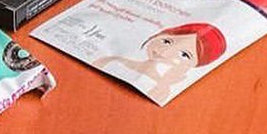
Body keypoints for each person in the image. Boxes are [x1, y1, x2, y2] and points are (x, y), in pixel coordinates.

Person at [94, 22, 226, 101]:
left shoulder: (161, 90)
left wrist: (165, 82)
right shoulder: (113, 61)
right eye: (167, 41)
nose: (165, 52)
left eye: (184, 55)